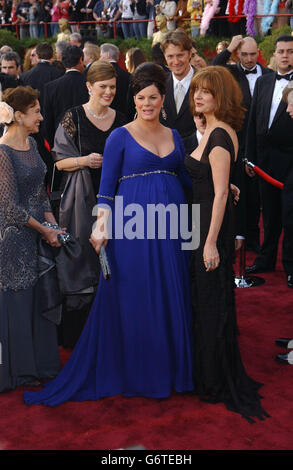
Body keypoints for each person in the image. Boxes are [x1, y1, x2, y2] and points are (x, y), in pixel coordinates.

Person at [23, 62, 194, 406]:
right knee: (136, 295)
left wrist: (224, 185)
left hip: (171, 225)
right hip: (133, 227)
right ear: (135, 100)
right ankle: (140, 369)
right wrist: (101, 228)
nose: (148, 104)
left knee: (169, 290)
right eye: (142, 98)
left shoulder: (174, 135)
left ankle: (170, 366)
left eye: (154, 98)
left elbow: (188, 180)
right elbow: (105, 190)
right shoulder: (120, 136)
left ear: (163, 100)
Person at [185, 66, 269, 423]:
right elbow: (223, 184)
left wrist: (209, 244)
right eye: (197, 91)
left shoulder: (219, 136)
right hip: (202, 221)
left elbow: (220, 193)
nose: (199, 96)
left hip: (207, 227)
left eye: (207, 91)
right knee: (207, 300)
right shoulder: (217, 130)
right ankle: (210, 372)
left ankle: (214, 379)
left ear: (221, 96)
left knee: (209, 302)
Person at [53, 60, 127, 348]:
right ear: (88, 87)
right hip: (80, 202)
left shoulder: (122, 119)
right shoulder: (72, 117)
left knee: (115, 259)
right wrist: (84, 161)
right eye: (103, 87)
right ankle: (80, 334)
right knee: (82, 260)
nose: (108, 92)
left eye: (112, 87)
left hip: (118, 200)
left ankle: (113, 329)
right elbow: (58, 163)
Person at [0, 86, 64, 393]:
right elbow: (10, 208)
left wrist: (53, 224)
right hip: (13, 241)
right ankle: (17, 371)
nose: (41, 116)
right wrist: (44, 230)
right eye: (36, 111)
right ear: (19, 116)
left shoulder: (33, 143)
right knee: (18, 301)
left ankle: (40, 364)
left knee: (41, 297)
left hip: (38, 232)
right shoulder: (2, 152)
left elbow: (40, 191)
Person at [212, 35, 273, 253]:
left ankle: (256, 243)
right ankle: (238, 238)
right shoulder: (230, 72)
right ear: (238, 53)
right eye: (244, 54)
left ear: (259, 54)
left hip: (263, 144)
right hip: (237, 143)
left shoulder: (269, 75)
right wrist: (229, 48)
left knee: (260, 196)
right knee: (239, 193)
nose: (249, 59)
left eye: (253, 54)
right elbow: (213, 67)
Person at [245, 35, 293, 288]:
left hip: (291, 160)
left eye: (290, 51)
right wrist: (249, 158)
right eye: (281, 51)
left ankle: (291, 265)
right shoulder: (263, 82)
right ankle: (265, 259)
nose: (285, 56)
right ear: (273, 54)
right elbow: (253, 121)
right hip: (264, 160)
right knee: (270, 213)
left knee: (290, 214)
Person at [43, 45, 88, 148]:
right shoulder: (89, 84)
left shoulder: (50, 87)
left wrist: (53, 144)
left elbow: (48, 120)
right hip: (86, 140)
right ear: (81, 60)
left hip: (61, 140)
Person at [160, 29, 197, 154]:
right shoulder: (159, 84)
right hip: (165, 156)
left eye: (180, 55)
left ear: (190, 53)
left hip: (197, 157)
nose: (175, 62)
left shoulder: (205, 81)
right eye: (170, 56)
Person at [100, 43, 131, 115]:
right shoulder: (127, 75)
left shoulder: (102, 74)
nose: (99, 58)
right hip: (124, 115)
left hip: (105, 114)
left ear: (107, 55)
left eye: (100, 56)